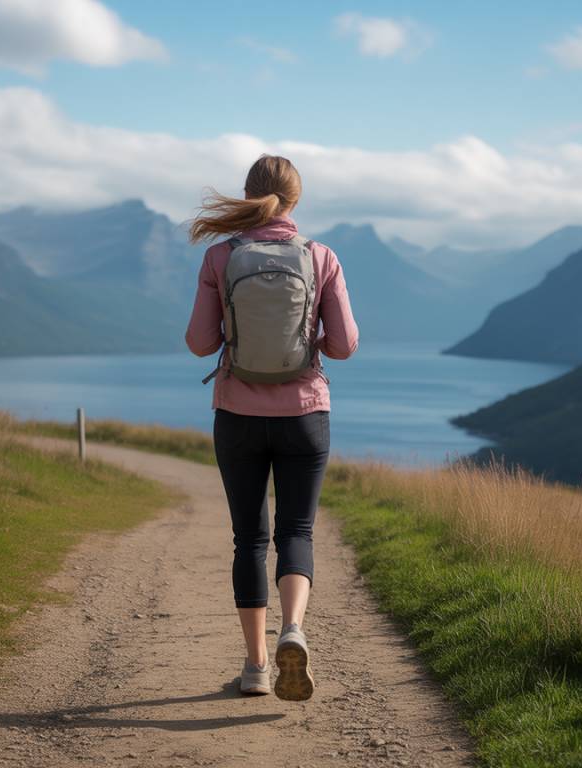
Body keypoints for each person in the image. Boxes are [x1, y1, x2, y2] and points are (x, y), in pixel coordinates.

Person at [185, 154, 359, 701]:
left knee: (250, 539)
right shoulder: (320, 256)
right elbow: (345, 345)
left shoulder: (220, 256)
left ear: (248, 196)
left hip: (237, 415)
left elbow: (199, 343)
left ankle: (257, 666)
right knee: (296, 532)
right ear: (296, 200)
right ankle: (293, 629)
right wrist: (309, 341)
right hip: (305, 415)